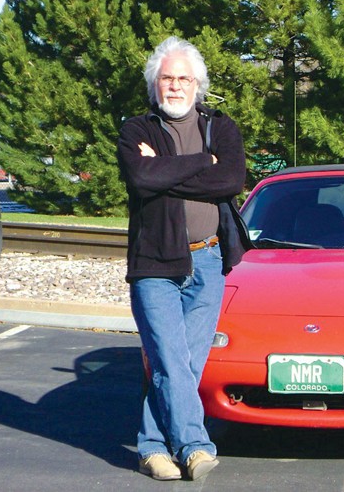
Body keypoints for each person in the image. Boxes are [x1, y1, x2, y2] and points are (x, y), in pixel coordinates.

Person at [116, 36, 250, 481]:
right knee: (171, 359)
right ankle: (194, 445)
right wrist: (201, 163)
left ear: (198, 84)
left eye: (183, 78)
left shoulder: (221, 128)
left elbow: (229, 181)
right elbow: (140, 177)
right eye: (167, 78)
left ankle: (153, 446)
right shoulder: (136, 130)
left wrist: (166, 172)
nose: (175, 86)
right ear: (155, 85)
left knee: (188, 363)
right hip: (155, 263)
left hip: (208, 261)